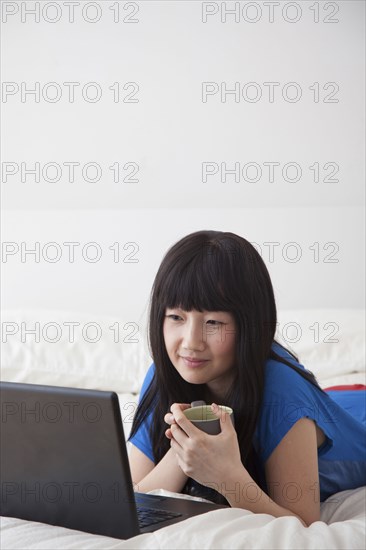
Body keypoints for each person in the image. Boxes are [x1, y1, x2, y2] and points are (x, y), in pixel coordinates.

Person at [128, 230, 366, 527]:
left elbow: (303, 524)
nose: (191, 342)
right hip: (336, 399)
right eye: (176, 317)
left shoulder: (281, 392)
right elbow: (132, 496)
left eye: (213, 322)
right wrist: (185, 447)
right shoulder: (164, 373)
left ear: (248, 327)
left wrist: (225, 475)